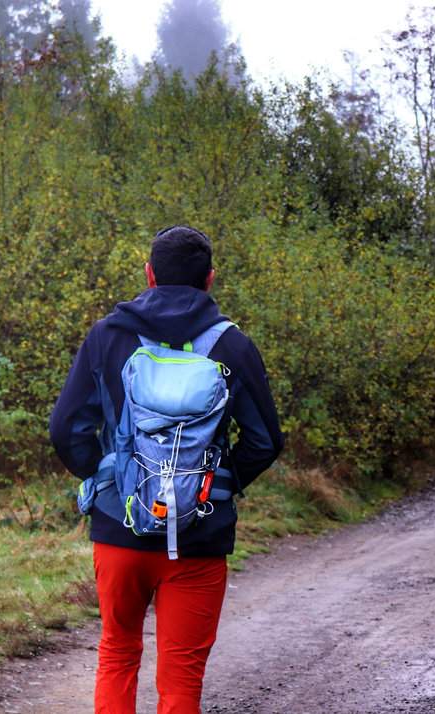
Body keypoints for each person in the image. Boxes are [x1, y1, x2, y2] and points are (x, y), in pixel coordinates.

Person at [49, 225, 284, 714]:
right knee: (181, 680)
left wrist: (108, 478)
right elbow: (264, 441)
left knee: (118, 653)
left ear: (149, 274)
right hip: (199, 537)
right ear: (210, 278)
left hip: (120, 531)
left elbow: (66, 428)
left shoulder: (108, 336)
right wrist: (216, 485)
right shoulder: (232, 345)